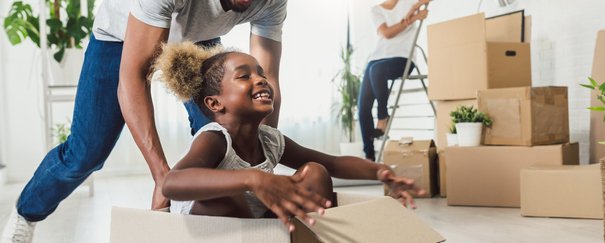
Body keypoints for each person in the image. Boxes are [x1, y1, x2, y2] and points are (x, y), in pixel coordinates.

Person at [2, 0, 286, 242]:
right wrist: (162, 176)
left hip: (199, 35)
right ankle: (27, 213)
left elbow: (266, 83)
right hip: (122, 35)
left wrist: (261, 160)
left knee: (227, 133)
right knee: (86, 154)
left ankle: (218, 230)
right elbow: (133, 78)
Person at [155, 43, 425, 232]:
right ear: (215, 104)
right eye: (244, 76)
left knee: (315, 173)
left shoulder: (270, 140)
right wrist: (254, 178)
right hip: (208, 225)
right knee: (229, 194)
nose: (260, 80)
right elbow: (171, 183)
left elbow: (333, 164)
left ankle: (300, 236)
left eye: (261, 74)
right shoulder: (215, 138)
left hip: (257, 220)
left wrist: (379, 171)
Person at [358, 0, 429, 161]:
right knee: (362, 108)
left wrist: (414, 7)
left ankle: (383, 117)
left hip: (403, 58)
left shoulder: (408, 2)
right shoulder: (376, 10)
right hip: (377, 59)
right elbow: (386, 33)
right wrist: (414, 17)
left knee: (376, 70)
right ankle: (369, 157)